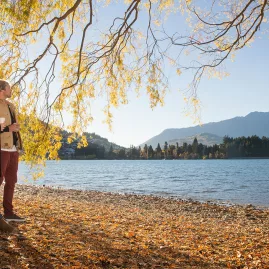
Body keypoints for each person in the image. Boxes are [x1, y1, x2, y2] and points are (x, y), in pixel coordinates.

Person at [0, 79, 25, 226]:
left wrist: (18, 144)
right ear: (2, 89)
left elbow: (13, 128)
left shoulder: (11, 106)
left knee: (11, 181)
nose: (11, 90)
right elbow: (6, 128)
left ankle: (9, 213)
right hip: (1, 147)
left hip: (13, 149)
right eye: (9, 88)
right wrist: (7, 128)